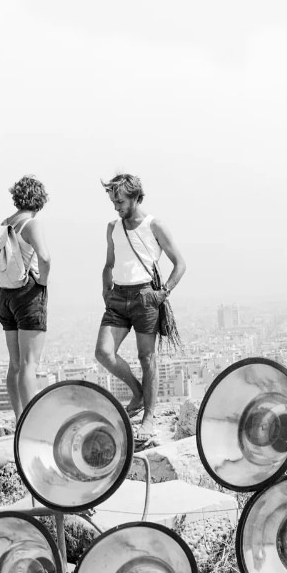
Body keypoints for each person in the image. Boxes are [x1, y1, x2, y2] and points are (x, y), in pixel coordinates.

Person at [95, 173, 187, 439]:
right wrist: (105, 288)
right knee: (104, 352)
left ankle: (148, 418)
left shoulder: (154, 225)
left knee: (147, 358)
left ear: (135, 197)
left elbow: (180, 263)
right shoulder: (112, 227)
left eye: (120, 201)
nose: (116, 206)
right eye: (113, 201)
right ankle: (137, 392)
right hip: (118, 296)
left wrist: (163, 292)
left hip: (146, 295)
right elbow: (109, 264)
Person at [0, 175, 52, 421]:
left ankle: (19, 419)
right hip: (28, 295)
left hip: (6, 296)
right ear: (39, 200)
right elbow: (45, 258)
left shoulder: (3, 225)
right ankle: (32, 422)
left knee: (14, 364)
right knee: (29, 364)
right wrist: (42, 283)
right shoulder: (31, 225)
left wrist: (2, 298)